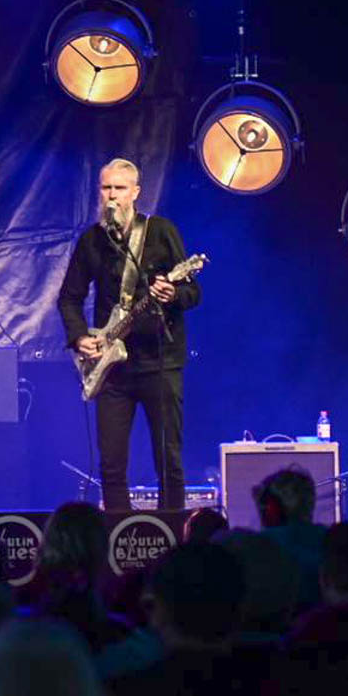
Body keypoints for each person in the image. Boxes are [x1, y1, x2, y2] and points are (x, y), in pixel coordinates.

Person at [57, 158, 201, 513]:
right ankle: (118, 534)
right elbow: (69, 298)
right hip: (112, 370)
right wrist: (79, 337)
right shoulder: (92, 241)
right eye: (106, 188)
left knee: (168, 459)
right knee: (111, 464)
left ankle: (171, 533)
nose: (112, 196)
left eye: (119, 188)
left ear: (135, 192)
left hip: (159, 363)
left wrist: (172, 294)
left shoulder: (160, 231)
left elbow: (192, 293)